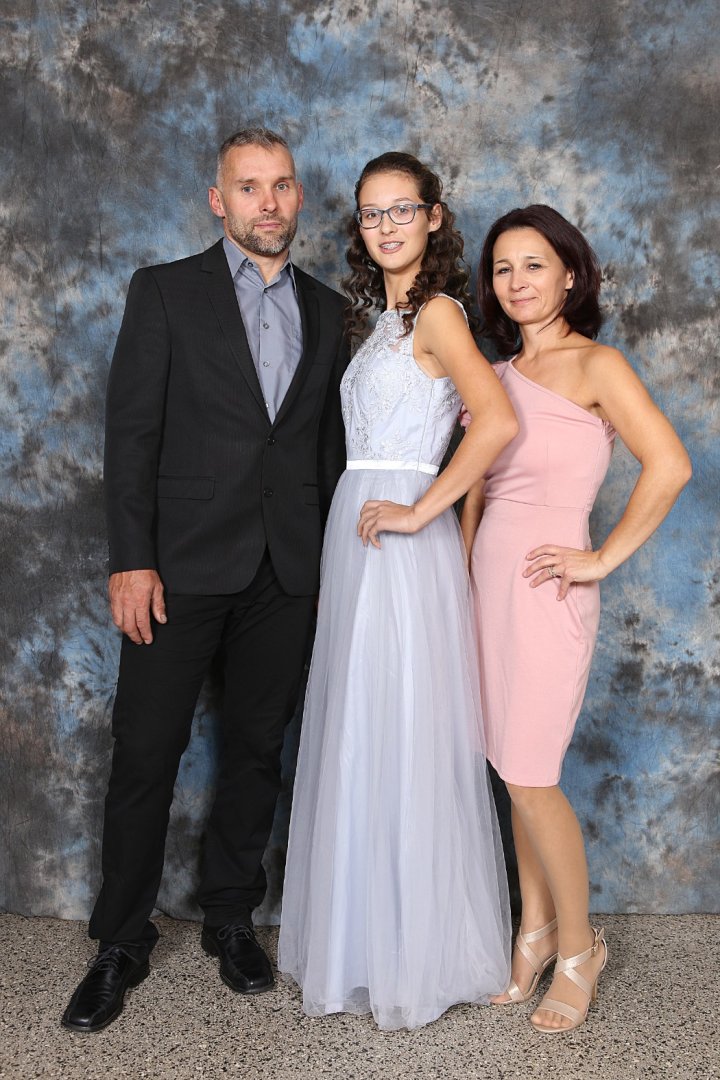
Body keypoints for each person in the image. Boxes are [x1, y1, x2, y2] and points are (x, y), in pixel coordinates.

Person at [62, 128, 349, 1033]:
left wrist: (330, 567)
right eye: (249, 187)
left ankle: (231, 916)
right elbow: (131, 435)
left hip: (287, 570)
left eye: (282, 185)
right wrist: (130, 558)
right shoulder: (164, 291)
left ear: (298, 197)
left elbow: (326, 451)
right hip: (176, 566)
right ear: (219, 201)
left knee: (257, 749)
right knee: (147, 750)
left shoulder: (331, 309)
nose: (269, 202)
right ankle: (120, 939)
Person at [277, 152, 518, 1030]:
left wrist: (422, 511)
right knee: (365, 725)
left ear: (435, 217)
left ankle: (420, 950)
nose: (385, 227)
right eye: (372, 213)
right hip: (358, 536)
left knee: (406, 727)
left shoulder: (441, 313)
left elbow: (497, 422)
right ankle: (366, 940)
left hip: (401, 540)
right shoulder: (383, 320)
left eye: (402, 211)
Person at [460, 205, 691, 1034]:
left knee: (532, 773)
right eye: (502, 268)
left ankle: (579, 948)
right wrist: (459, 580)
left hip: (549, 592)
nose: (516, 281)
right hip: (485, 589)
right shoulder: (492, 374)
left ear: (570, 275)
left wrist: (599, 558)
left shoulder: (599, 364)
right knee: (507, 767)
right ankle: (534, 930)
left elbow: (670, 465)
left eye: (534, 265)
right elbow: (475, 496)